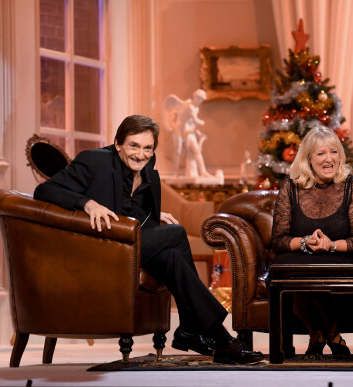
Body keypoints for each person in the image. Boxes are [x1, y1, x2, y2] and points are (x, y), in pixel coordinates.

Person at [33, 114, 263, 365]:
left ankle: (216, 338)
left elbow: (136, 216)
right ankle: (196, 331)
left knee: (173, 255)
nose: (140, 154)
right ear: (118, 143)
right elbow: (44, 190)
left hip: (128, 247)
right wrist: (88, 204)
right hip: (98, 250)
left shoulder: (149, 173)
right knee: (176, 234)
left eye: (147, 148)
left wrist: (154, 215)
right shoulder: (94, 160)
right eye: (134, 146)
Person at [270, 125, 353, 357]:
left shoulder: (351, 186)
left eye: (334, 152)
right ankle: (327, 334)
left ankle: (319, 338)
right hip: (302, 255)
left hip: (343, 257)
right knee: (287, 269)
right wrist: (305, 242)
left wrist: (331, 245)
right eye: (321, 153)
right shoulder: (291, 188)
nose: (329, 159)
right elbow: (279, 239)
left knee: (320, 270)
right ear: (308, 159)